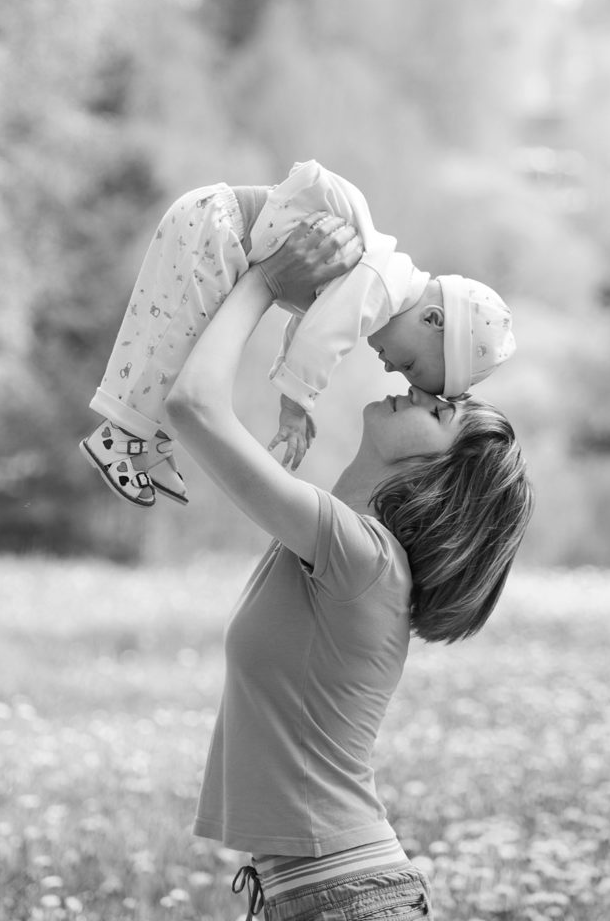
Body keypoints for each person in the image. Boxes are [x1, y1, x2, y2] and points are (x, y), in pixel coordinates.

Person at [161, 219, 534, 921]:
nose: (426, 394)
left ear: (439, 473)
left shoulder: (359, 555)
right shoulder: (346, 550)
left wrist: (266, 282)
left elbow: (194, 407)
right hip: (327, 895)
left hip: (342, 898)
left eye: (445, 411)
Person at [79, 160, 515, 507]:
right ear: (433, 320)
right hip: (218, 228)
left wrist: (289, 380)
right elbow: (320, 338)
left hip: (217, 231)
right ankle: (118, 438)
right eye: (408, 365)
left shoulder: (377, 279)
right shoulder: (381, 284)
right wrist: (294, 404)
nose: (387, 365)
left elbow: (306, 325)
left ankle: (149, 444)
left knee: (191, 345)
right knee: (176, 339)